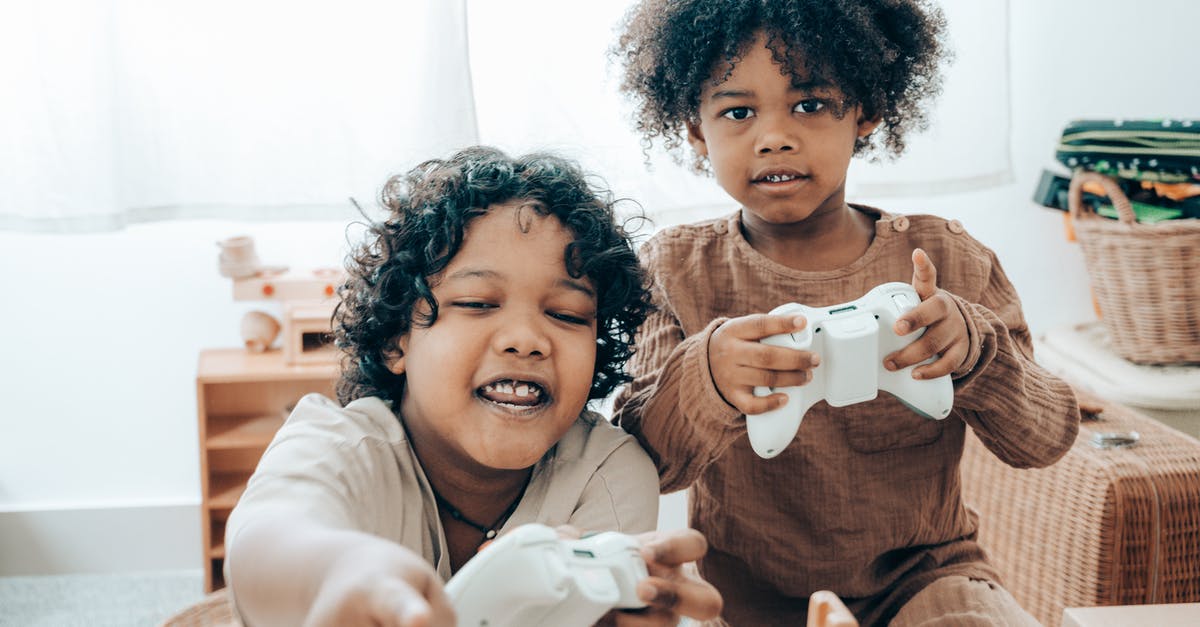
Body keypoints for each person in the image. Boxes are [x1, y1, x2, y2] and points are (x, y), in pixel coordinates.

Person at [608, 2, 1081, 625]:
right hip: (746, 603)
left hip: (926, 581)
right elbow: (642, 466)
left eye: (809, 104)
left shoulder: (948, 258)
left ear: (866, 110)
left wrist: (975, 354)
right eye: (737, 112)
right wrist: (708, 380)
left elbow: (1045, 439)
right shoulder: (673, 271)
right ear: (696, 130)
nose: (774, 135)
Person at [224, 146, 723, 627]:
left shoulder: (608, 474)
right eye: (478, 303)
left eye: (566, 315)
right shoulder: (338, 445)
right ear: (398, 341)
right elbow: (265, 538)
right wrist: (337, 574)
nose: (527, 340)